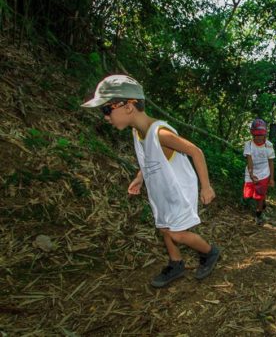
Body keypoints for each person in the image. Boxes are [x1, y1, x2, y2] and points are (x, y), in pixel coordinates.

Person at [81, 75, 220, 288]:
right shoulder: (138, 131)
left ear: (127, 107)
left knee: (177, 233)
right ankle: (176, 263)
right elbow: (149, 158)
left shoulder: (160, 133)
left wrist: (206, 186)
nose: (105, 117)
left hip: (177, 189)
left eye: (106, 110)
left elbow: (196, 151)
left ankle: (210, 253)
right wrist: (139, 178)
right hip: (160, 188)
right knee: (164, 227)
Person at [243, 119, 275, 225]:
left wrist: (271, 178)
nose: (258, 138)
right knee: (248, 195)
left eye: (261, 135)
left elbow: (271, 162)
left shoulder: (269, 145)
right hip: (251, 173)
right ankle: (262, 201)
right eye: (256, 135)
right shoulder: (248, 144)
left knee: (259, 195)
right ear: (252, 134)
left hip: (264, 173)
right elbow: (249, 159)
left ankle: (258, 215)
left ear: (264, 134)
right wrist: (251, 174)